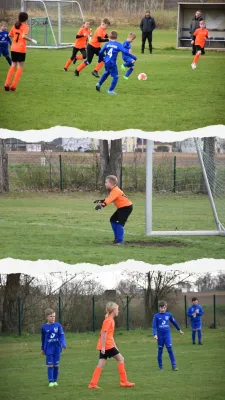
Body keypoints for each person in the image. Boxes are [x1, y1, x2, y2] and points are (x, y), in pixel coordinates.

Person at [88, 302, 135, 389]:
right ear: (113, 310)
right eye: (117, 309)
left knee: (101, 364)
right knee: (121, 359)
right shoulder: (108, 320)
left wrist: (115, 346)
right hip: (107, 346)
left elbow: (110, 335)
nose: (118, 311)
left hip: (107, 345)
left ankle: (92, 384)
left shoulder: (110, 320)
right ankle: (123, 382)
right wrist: (103, 347)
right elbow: (103, 333)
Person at [94, 175, 133, 244]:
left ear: (111, 184)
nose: (105, 184)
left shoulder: (115, 191)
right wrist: (101, 201)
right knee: (113, 220)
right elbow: (110, 198)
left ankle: (119, 241)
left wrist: (101, 206)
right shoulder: (114, 190)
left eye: (106, 182)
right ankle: (117, 238)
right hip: (122, 208)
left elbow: (109, 199)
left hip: (126, 208)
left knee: (120, 223)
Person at [4, 12, 37, 91]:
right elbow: (23, 36)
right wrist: (31, 40)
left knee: (13, 65)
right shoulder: (25, 26)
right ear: (26, 19)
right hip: (21, 48)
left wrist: (15, 35)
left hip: (13, 48)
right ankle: (13, 86)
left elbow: (9, 35)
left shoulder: (14, 25)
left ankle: (7, 83)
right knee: (20, 67)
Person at [152, 300, 184, 371]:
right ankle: (160, 367)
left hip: (167, 336)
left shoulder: (168, 314)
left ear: (166, 308)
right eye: (161, 308)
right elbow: (154, 326)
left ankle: (174, 366)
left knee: (170, 349)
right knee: (160, 350)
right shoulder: (156, 316)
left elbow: (174, 322)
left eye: (164, 308)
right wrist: (155, 334)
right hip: (160, 337)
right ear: (159, 308)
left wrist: (179, 330)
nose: (163, 309)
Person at [41, 308, 66, 387]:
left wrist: (63, 344)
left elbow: (61, 335)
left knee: (56, 365)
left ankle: (55, 380)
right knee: (50, 365)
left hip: (57, 348)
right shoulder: (44, 327)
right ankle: (51, 381)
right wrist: (42, 348)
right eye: (51, 316)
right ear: (46, 317)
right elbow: (43, 339)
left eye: (54, 316)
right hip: (48, 349)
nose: (53, 318)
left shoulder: (58, 325)